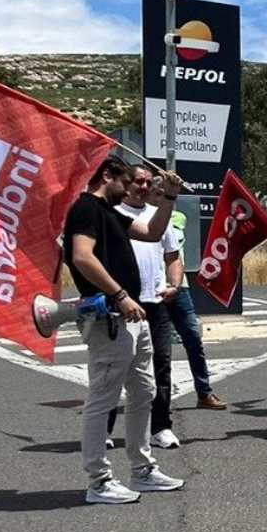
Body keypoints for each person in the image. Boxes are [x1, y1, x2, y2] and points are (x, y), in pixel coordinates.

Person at [64, 155, 185, 505]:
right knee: (102, 398)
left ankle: (142, 469)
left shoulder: (109, 211)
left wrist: (170, 197)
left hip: (135, 316)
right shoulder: (86, 209)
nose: (131, 186)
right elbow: (82, 256)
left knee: (143, 392)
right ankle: (98, 480)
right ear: (107, 175)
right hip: (110, 318)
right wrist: (118, 295)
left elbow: (153, 232)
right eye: (125, 179)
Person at [112, 164, 184, 450]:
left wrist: (174, 286)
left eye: (146, 182)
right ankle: (104, 429)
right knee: (116, 369)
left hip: (155, 304)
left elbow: (173, 256)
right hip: (123, 304)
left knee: (161, 366)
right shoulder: (114, 215)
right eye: (136, 181)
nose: (142, 187)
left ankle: (161, 427)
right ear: (125, 184)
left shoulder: (159, 216)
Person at [164, 208, 226, 410]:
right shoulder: (141, 218)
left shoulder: (179, 217)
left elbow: (177, 253)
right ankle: (156, 397)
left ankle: (204, 392)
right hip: (154, 290)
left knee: (193, 339)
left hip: (179, 288)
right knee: (156, 348)